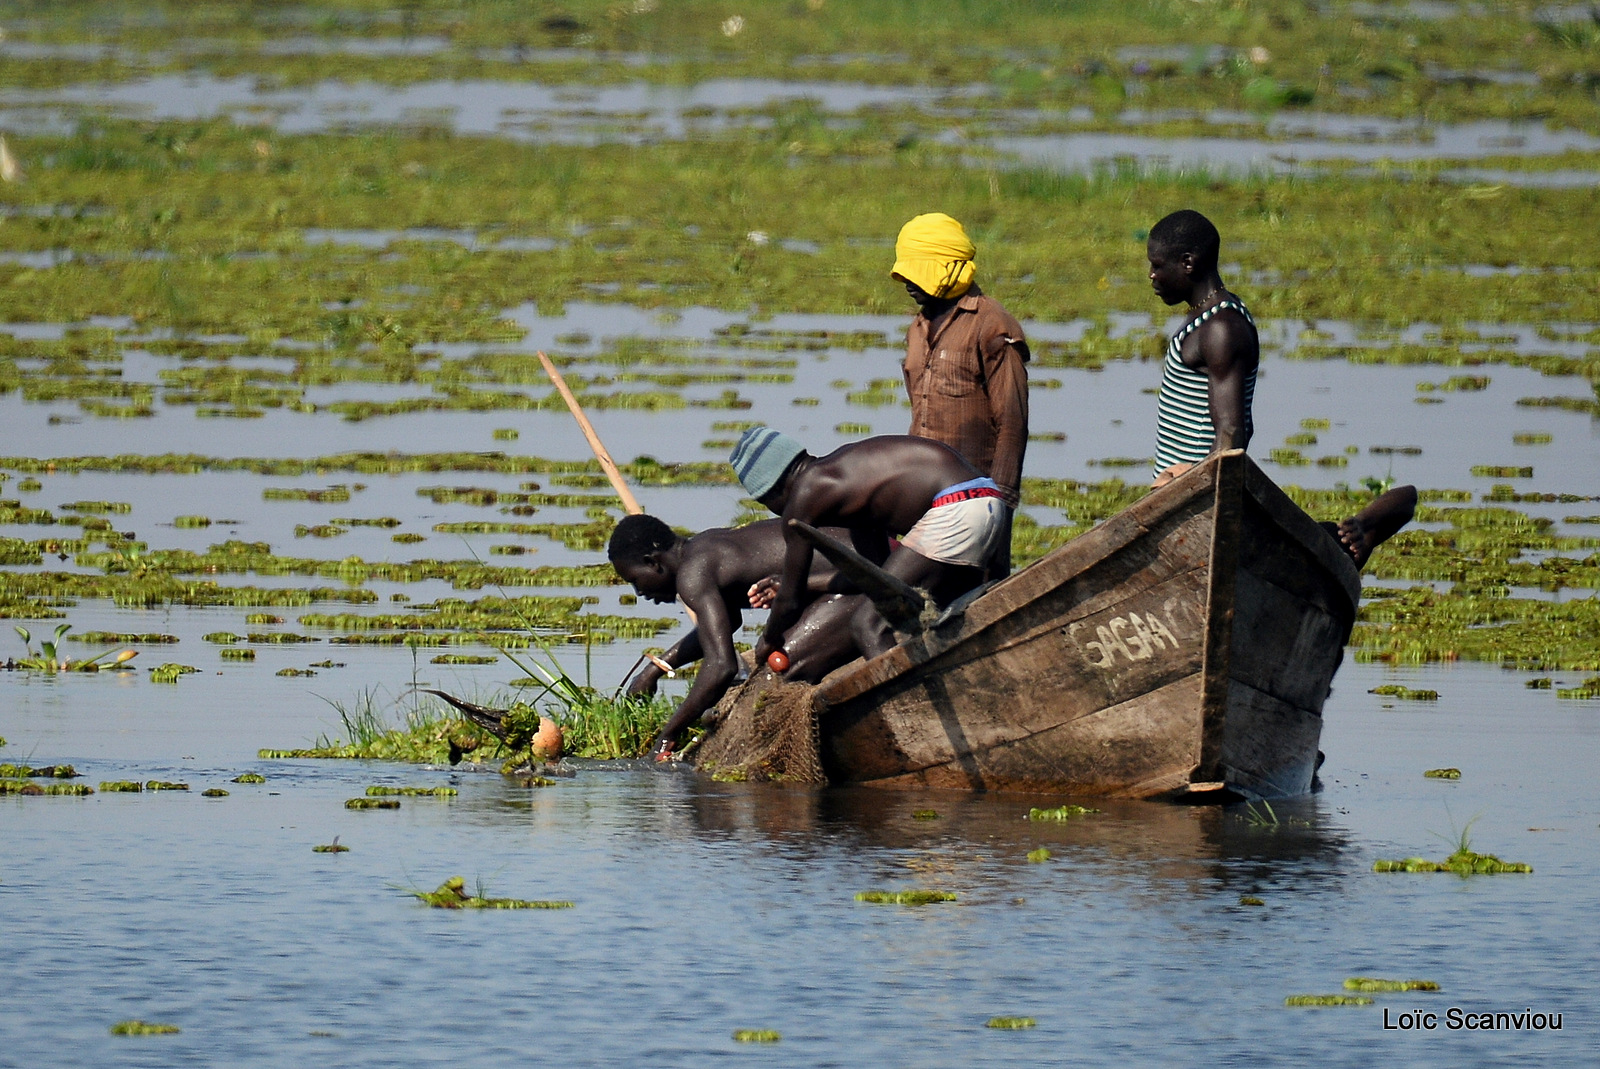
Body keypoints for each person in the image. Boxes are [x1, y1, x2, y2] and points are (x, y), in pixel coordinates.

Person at [729, 427, 1006, 669]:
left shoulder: (804, 495)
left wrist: (768, 639)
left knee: (866, 625)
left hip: (955, 508)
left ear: (772, 493)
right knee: (924, 607)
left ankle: (910, 709)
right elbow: (876, 578)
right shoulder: (848, 480)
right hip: (987, 499)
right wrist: (802, 584)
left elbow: (788, 602)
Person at [607, 514, 860, 758]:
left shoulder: (692, 575)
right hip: (861, 564)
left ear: (653, 563)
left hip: (859, 579)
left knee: (781, 671)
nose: (639, 592)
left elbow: (721, 666)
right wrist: (656, 669)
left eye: (635, 580)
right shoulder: (703, 547)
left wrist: (668, 734)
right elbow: (726, 623)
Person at [891, 212, 1030, 578]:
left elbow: (1012, 425)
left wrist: (1000, 508)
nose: (905, 281)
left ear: (948, 268)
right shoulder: (917, 329)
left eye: (916, 271)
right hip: (922, 494)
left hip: (975, 501)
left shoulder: (993, 325)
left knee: (978, 592)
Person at [1145, 209, 1259, 487]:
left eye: (1157, 266)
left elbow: (1231, 433)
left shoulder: (1222, 329)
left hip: (1192, 499)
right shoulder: (1203, 318)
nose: (1151, 275)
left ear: (1187, 263)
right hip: (1173, 491)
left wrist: (1193, 492)